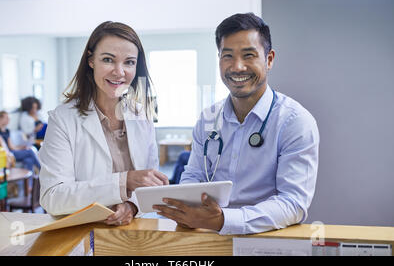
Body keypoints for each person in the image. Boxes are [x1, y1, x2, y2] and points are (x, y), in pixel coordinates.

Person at [153, 13, 320, 235]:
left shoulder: (295, 122)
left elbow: (293, 203)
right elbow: (193, 176)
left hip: (266, 241)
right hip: (207, 238)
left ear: (269, 59)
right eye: (228, 56)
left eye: (249, 55)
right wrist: (185, 207)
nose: (237, 67)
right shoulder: (209, 118)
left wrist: (224, 220)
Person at [38, 21, 169, 225]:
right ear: (91, 60)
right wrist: (123, 182)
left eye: (129, 62)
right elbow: (53, 198)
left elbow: (149, 184)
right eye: (108, 59)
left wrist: (132, 206)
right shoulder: (63, 119)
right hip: (82, 235)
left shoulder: (141, 116)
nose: (119, 72)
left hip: (134, 233)